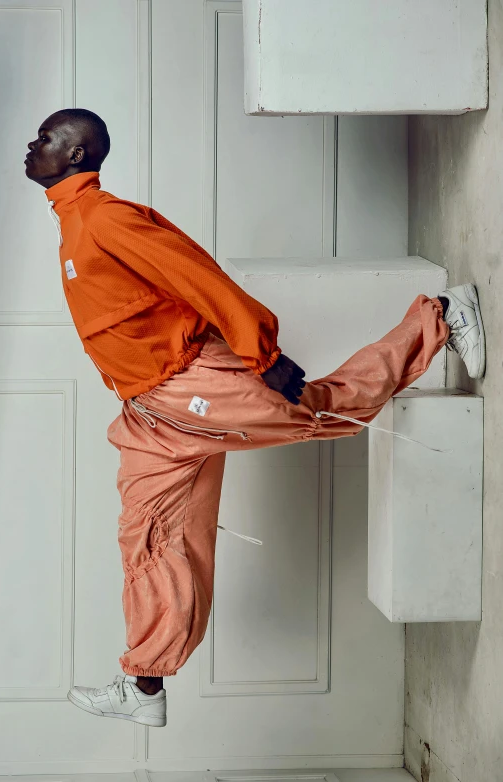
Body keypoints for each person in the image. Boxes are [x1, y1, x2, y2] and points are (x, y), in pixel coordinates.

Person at [25, 108, 485, 729]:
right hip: (147, 410)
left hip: (189, 384)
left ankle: (440, 316)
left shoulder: (105, 218)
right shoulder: (73, 225)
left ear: (77, 155)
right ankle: (146, 679)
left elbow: (197, 274)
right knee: (150, 534)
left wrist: (259, 352)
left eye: (46, 138)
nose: (33, 145)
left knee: (321, 412)